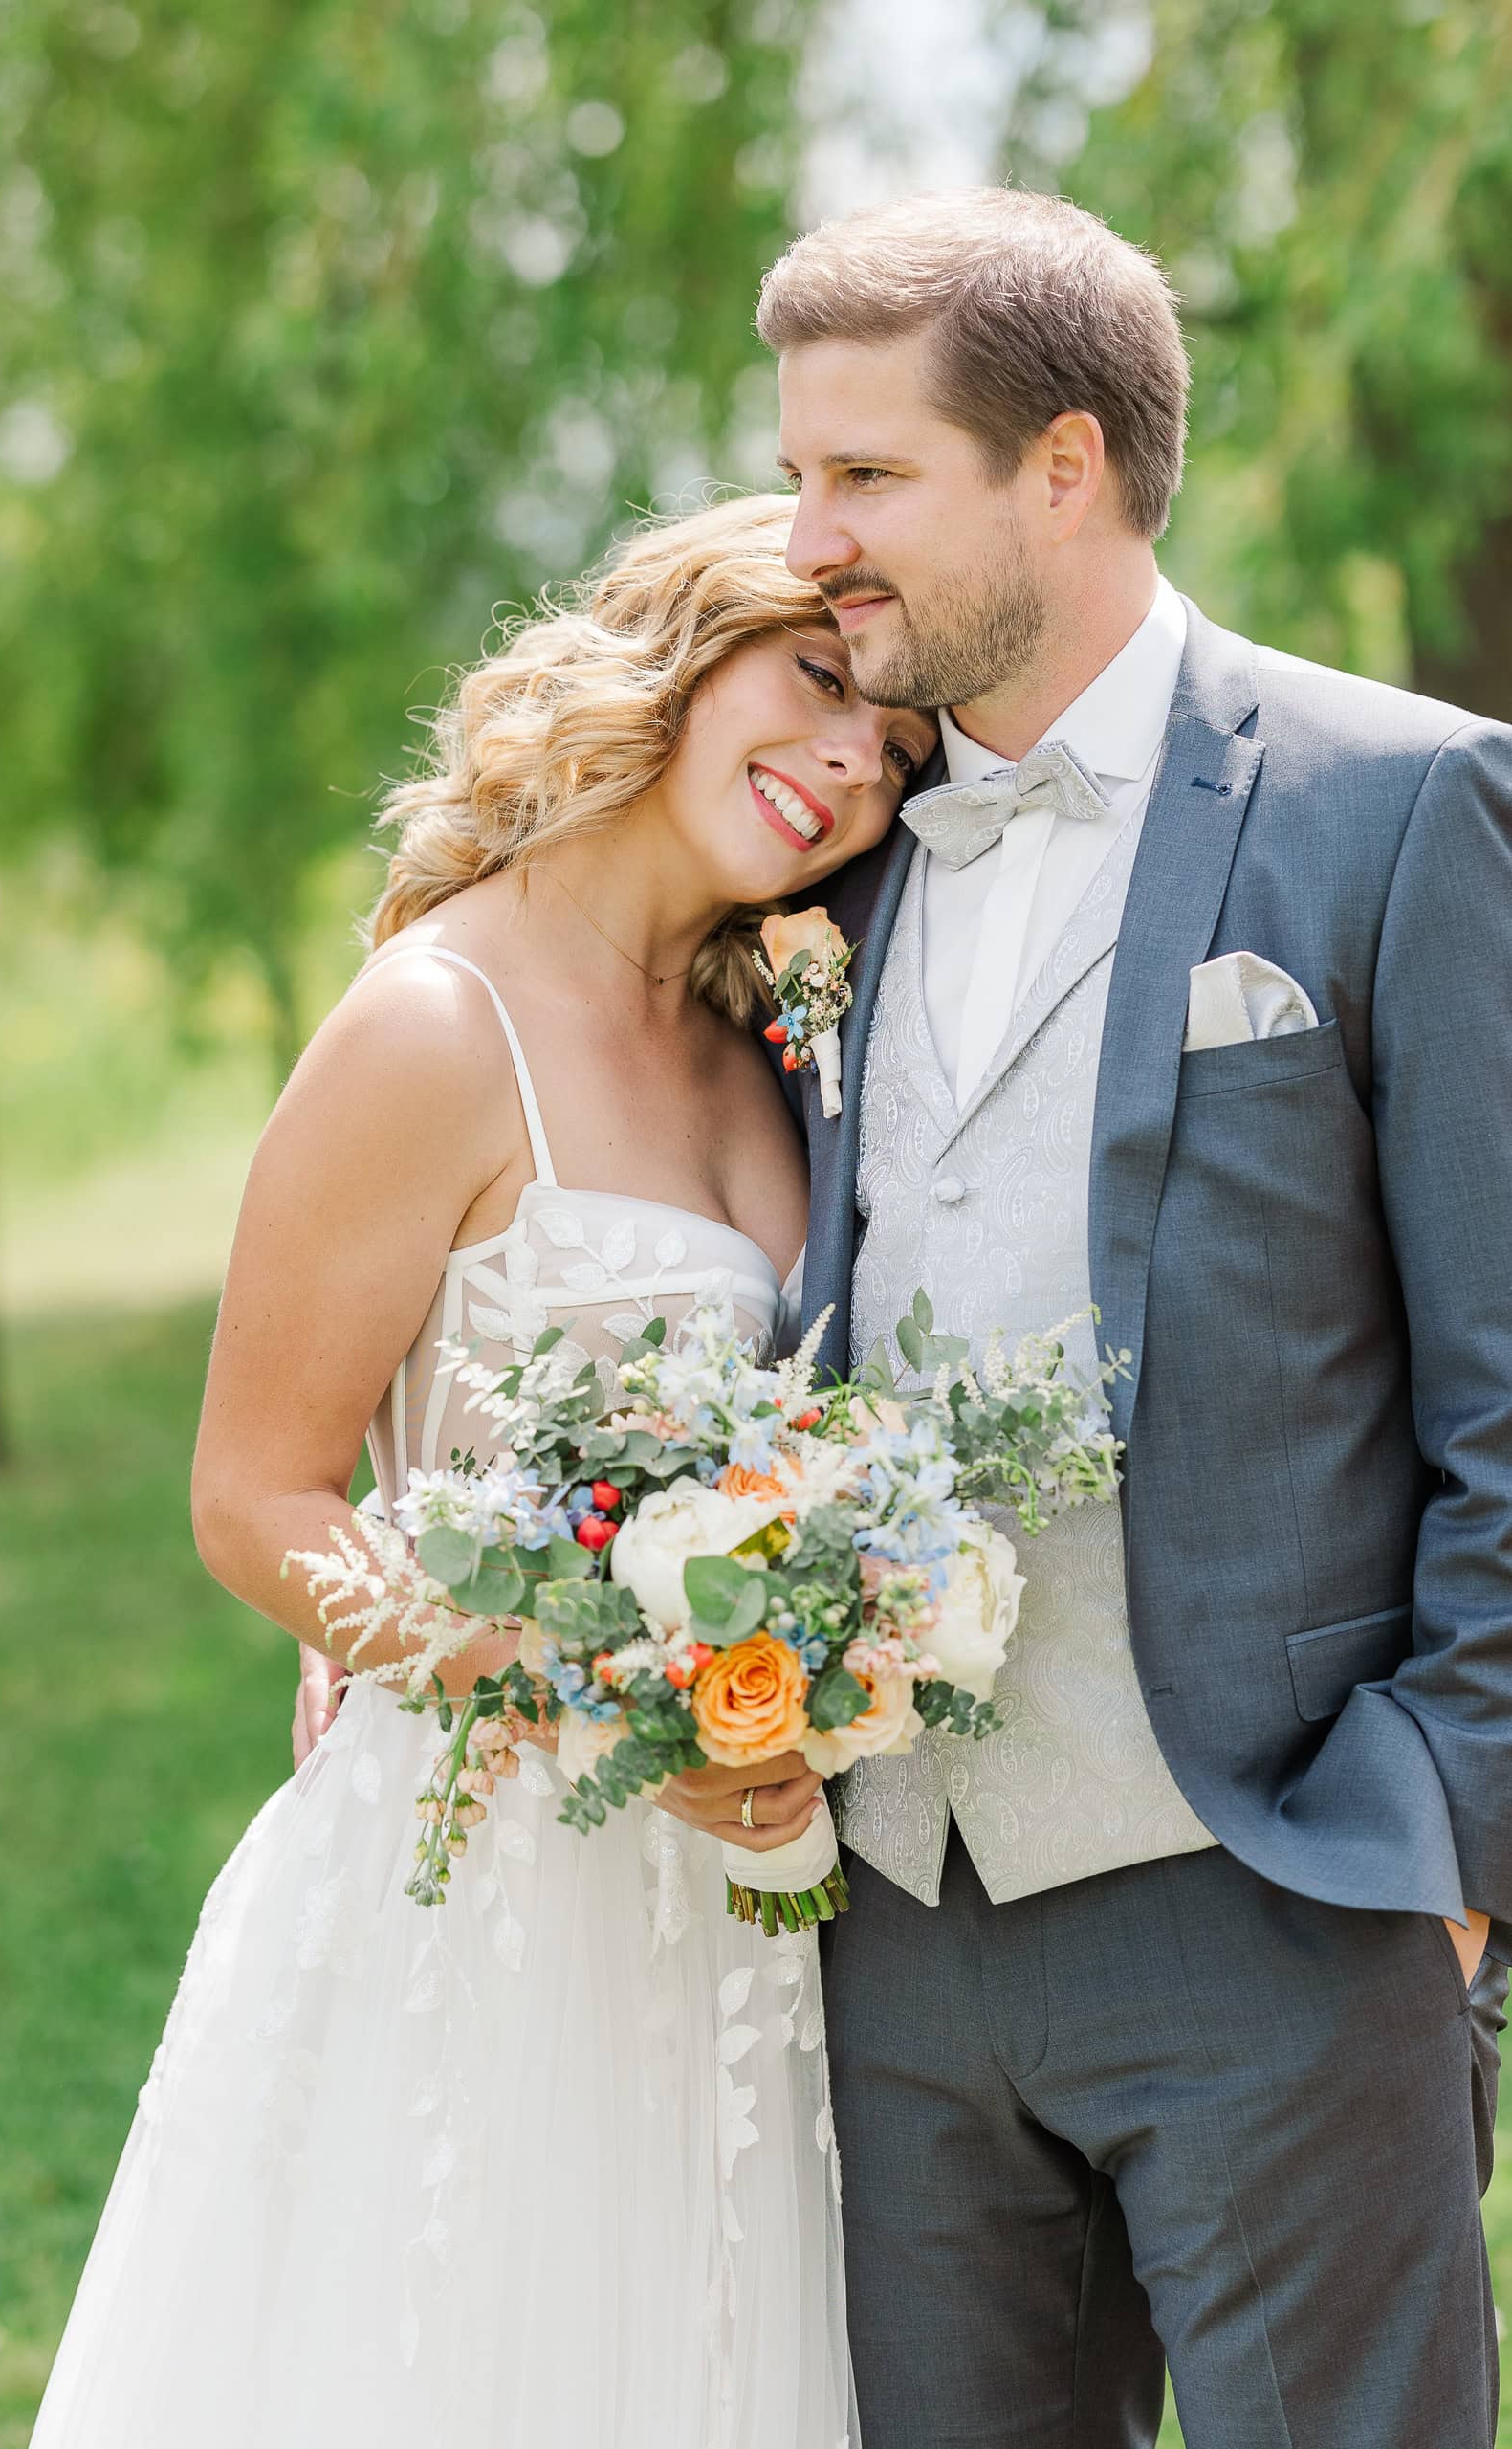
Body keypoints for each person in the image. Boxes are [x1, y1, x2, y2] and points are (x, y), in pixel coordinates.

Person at [29, 491, 936, 2449]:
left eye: (895, 747)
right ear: (679, 654)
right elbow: (255, 1499)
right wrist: (589, 1688)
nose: (852, 760)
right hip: (487, 1879)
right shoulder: (432, 1023)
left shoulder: (768, 1045)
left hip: (738, 1912)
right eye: (816, 679)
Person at [745, 186, 1511, 2449]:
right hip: (888, 1926)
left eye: (863, 474)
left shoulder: (1398, 805)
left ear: (1057, 468)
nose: (807, 538)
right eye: (797, 471)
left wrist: (1433, 1857)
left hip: (1278, 1894)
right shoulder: (813, 851)